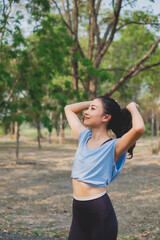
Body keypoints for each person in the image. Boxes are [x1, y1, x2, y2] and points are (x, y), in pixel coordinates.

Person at [64, 96, 145, 240]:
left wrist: (131, 107)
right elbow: (68, 109)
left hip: (99, 213)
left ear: (106, 117)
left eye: (92, 109)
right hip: (78, 211)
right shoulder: (84, 137)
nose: (86, 112)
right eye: (88, 108)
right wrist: (94, 103)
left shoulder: (114, 146)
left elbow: (139, 128)